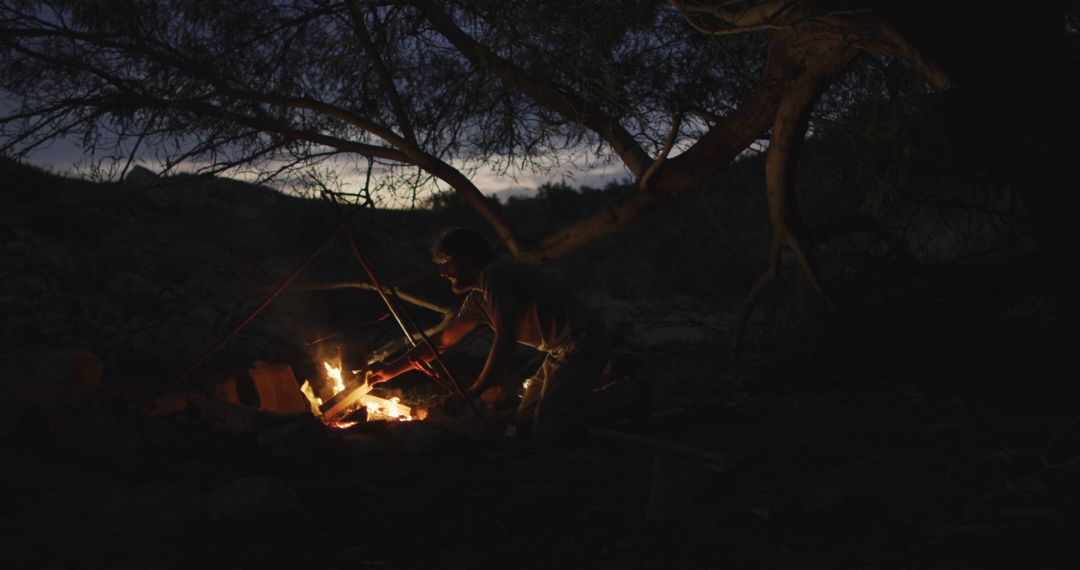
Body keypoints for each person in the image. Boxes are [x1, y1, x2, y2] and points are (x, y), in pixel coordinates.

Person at [368, 227, 635, 441]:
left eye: (447, 262)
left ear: (468, 258)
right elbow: (441, 341)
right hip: (559, 350)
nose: (443, 271)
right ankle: (585, 396)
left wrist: (475, 390)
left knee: (550, 430)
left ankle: (625, 396)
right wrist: (391, 369)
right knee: (526, 422)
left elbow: (505, 340)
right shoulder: (478, 300)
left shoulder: (496, 275)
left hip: (581, 341)